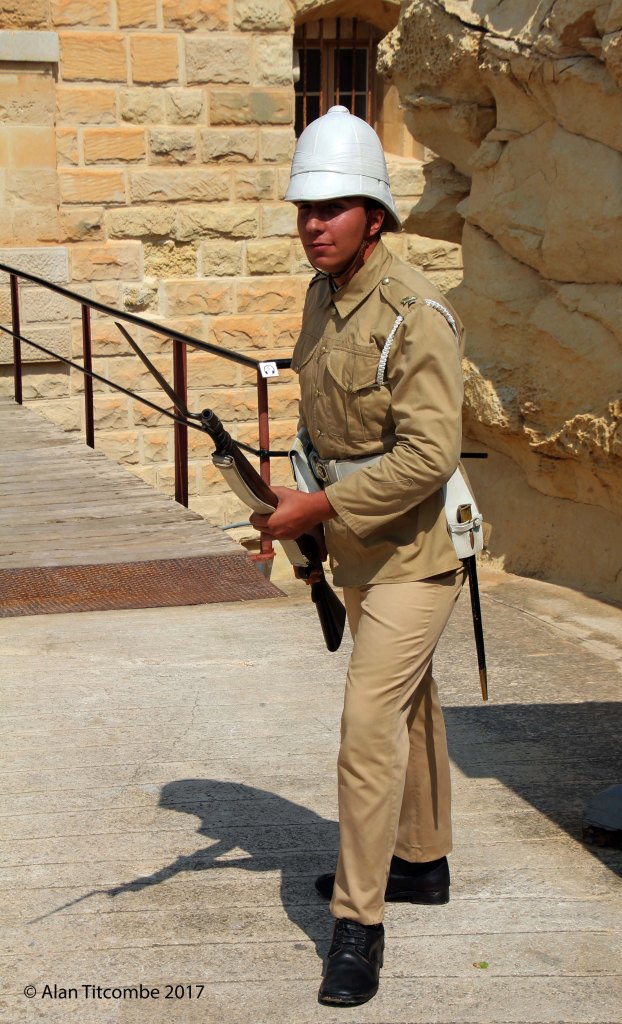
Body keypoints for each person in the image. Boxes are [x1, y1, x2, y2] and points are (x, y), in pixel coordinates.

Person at [249, 105, 466, 1007]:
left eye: (332, 208)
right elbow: (324, 420)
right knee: (410, 706)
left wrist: (324, 504)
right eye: (306, 208)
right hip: (351, 544)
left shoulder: (417, 314)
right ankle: (421, 862)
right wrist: (295, 500)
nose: (314, 224)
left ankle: (358, 923)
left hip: (418, 550)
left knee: (368, 723)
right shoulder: (323, 295)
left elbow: (430, 455)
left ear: (374, 215)